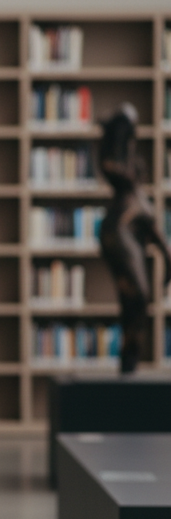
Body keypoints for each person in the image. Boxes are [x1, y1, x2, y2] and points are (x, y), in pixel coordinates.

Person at [98, 103, 171, 373]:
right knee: (137, 297)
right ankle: (128, 361)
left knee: (138, 300)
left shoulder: (138, 198)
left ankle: (130, 361)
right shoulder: (126, 189)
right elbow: (108, 164)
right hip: (117, 234)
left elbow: (155, 230)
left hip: (124, 233)